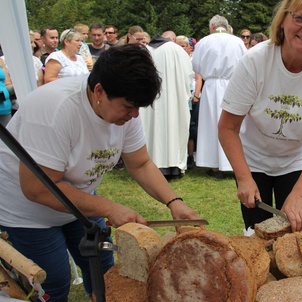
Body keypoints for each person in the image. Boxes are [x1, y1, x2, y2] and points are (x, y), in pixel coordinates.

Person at [0, 44, 200, 302]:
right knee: (53, 282)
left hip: (80, 201)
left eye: (138, 108)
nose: (134, 115)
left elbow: (140, 163)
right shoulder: (55, 108)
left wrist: (174, 202)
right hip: (27, 212)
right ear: (98, 91)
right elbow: (37, 188)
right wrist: (107, 207)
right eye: (128, 107)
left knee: (105, 275)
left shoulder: (126, 109)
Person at [218, 0, 302, 232]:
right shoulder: (256, 60)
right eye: (300, 18)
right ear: (283, 19)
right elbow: (228, 127)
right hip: (253, 159)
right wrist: (244, 178)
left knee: (292, 234)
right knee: (257, 233)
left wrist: (298, 195)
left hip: (296, 161)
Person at [192, 15, 247, 179]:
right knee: (233, 125)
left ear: (213, 26)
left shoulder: (204, 41)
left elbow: (196, 65)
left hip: (211, 87)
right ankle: (232, 164)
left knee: (212, 125)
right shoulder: (237, 41)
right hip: (233, 85)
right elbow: (245, 63)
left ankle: (215, 165)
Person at [140, 34, 193, 180]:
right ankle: (173, 166)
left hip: (150, 100)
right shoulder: (177, 50)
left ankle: (151, 165)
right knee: (173, 129)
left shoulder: (144, 51)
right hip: (174, 100)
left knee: (152, 131)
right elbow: (188, 75)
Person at [175, 35, 203, 168]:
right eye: (178, 45)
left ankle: (191, 155)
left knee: (192, 127)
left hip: (192, 97)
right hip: (179, 97)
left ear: (188, 47)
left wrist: (196, 95)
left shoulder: (193, 60)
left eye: (183, 46)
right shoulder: (175, 59)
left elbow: (198, 78)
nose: (181, 48)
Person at [0, 58, 13, 126]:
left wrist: (17, 86)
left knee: (8, 135)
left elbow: (7, 84)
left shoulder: (0, 61)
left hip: (5, 108)